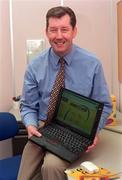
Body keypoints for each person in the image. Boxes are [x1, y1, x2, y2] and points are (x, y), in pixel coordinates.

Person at [17, 6, 112, 180]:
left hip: (74, 131)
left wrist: (94, 132)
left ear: (74, 31)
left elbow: (105, 104)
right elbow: (28, 105)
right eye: (53, 30)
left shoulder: (92, 64)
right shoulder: (34, 67)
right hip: (42, 128)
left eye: (64, 29)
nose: (59, 36)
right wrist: (30, 125)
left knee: (51, 168)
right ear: (46, 32)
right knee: (24, 176)